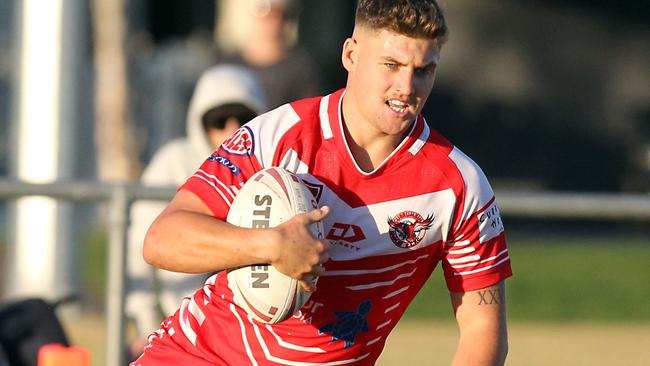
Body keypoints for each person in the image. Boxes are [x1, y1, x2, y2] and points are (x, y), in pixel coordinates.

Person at [133, 1, 512, 365]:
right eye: (391, 65)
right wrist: (272, 245)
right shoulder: (277, 135)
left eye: (423, 70)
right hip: (199, 355)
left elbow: (483, 329)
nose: (407, 86)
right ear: (351, 55)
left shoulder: (459, 185)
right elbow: (163, 239)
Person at [125, 64, 265, 358]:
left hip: (250, 333)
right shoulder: (172, 163)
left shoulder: (275, 173)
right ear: (198, 122)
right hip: (176, 328)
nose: (231, 129)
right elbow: (142, 248)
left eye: (243, 118)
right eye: (217, 119)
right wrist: (147, 325)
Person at [220, 0, 321, 109]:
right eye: (266, 16)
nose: (273, 23)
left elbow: (308, 110)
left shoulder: (300, 66)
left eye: (280, 16)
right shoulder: (228, 65)